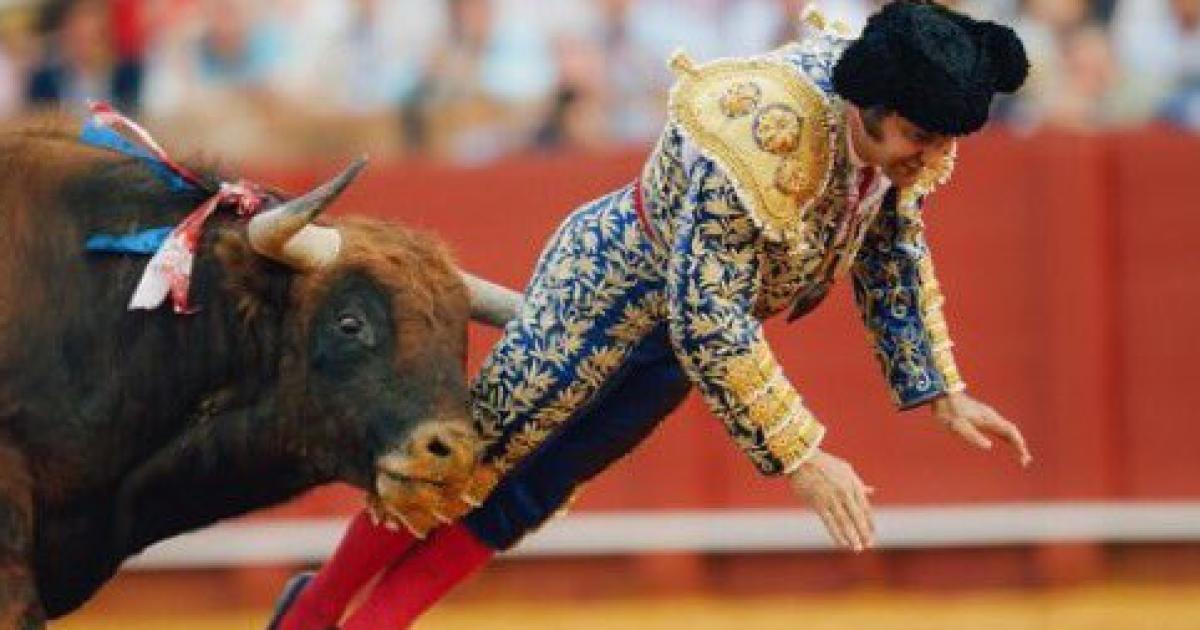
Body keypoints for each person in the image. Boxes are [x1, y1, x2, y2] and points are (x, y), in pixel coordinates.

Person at [271, 2, 1034, 628]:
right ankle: (315, 614)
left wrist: (940, 387)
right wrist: (803, 458)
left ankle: (378, 624)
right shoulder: (766, 129)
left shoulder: (896, 142)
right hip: (604, 295)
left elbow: (889, 248)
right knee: (467, 461)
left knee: (535, 493)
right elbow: (712, 315)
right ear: (875, 107)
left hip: (673, 345)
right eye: (921, 138)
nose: (930, 159)